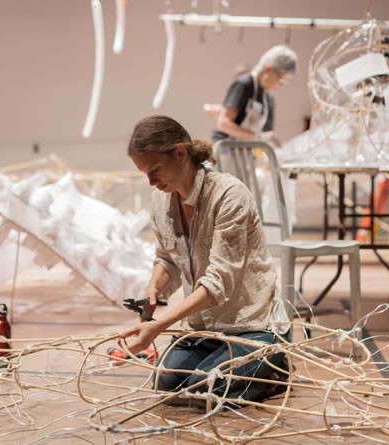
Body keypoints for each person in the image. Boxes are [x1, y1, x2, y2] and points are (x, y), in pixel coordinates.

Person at [119, 115, 291, 404]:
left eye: (155, 170)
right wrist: (154, 289)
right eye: (144, 173)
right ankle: (230, 365)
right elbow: (168, 259)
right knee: (165, 383)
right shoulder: (162, 201)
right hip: (204, 329)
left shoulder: (229, 195)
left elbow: (218, 282)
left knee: (206, 389)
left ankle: (274, 362)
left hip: (250, 326)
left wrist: (158, 326)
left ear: (180, 153)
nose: (150, 182)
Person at [211, 45, 298, 146]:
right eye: (281, 79)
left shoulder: (266, 96)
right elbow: (223, 124)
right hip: (226, 149)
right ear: (267, 69)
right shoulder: (243, 85)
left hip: (244, 149)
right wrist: (257, 137)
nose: (281, 85)